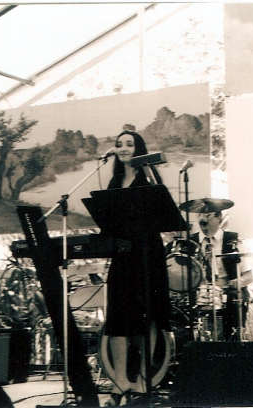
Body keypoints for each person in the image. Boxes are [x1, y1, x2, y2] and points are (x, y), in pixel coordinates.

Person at [103, 130, 171, 405]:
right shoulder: (114, 181)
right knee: (117, 317)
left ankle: (143, 377)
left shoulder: (148, 177)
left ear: (139, 149)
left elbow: (163, 209)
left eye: (129, 144)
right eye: (119, 144)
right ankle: (120, 379)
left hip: (147, 254)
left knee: (148, 315)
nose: (123, 148)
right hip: (122, 255)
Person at [191, 210, 253, 342]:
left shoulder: (233, 240)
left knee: (231, 337)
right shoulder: (191, 242)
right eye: (199, 215)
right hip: (200, 297)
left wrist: (237, 282)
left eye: (207, 215)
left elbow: (249, 276)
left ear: (219, 217)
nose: (202, 219)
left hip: (228, 296)